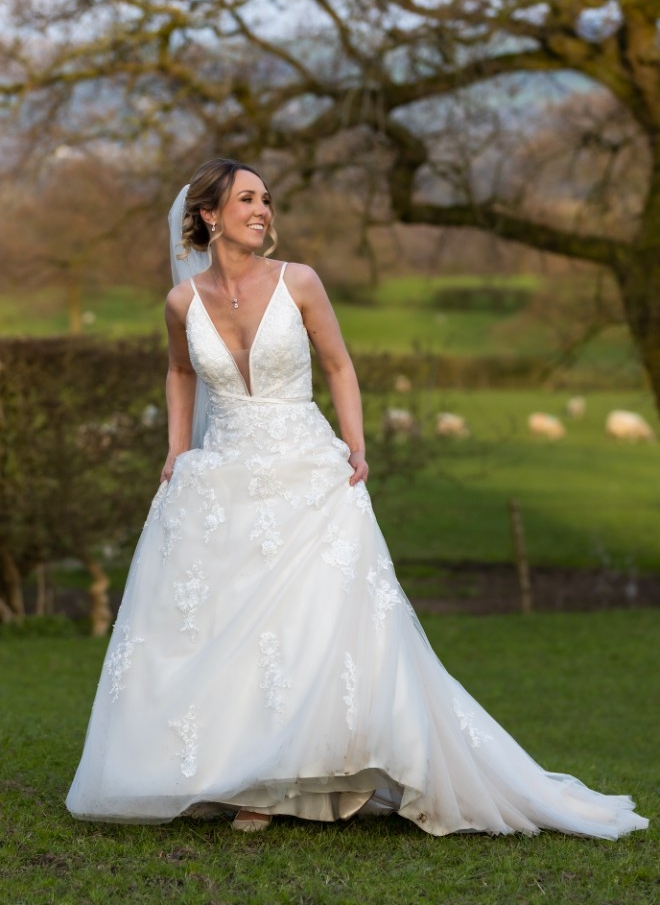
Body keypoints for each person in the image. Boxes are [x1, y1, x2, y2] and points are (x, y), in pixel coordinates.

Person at [66, 158, 648, 838]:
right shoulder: (181, 303)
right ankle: (238, 775)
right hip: (221, 475)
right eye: (247, 198)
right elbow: (177, 369)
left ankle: (312, 778)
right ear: (208, 215)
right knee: (227, 625)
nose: (263, 209)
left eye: (267, 199)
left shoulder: (300, 282)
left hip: (308, 469)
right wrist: (175, 449)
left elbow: (339, 364)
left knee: (313, 624)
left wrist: (355, 445)